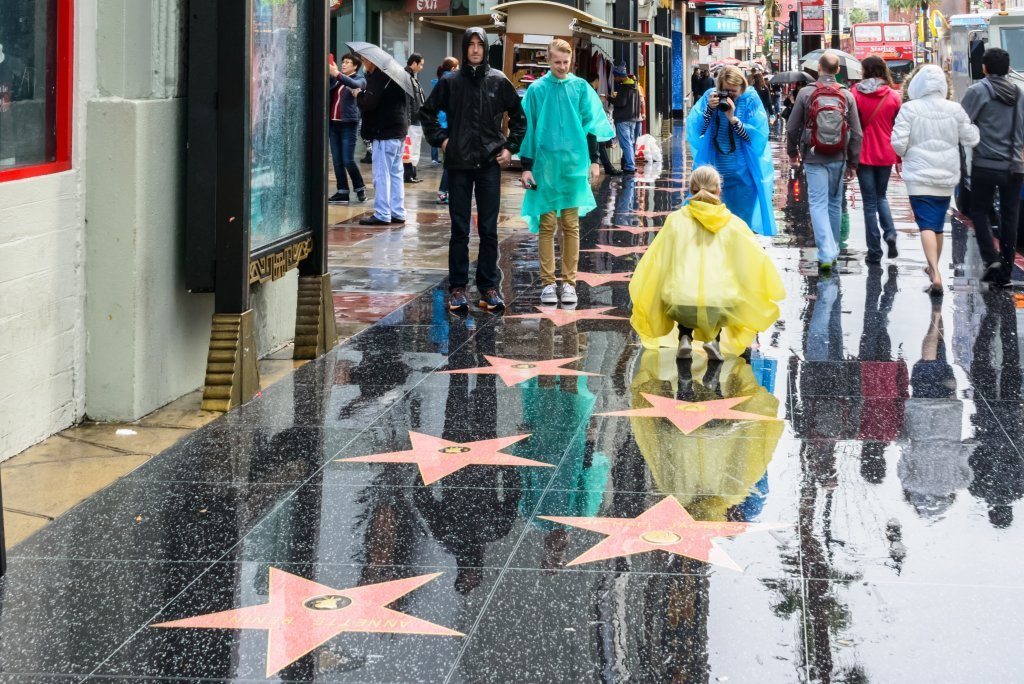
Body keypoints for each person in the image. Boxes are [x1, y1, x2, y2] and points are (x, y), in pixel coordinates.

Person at [420, 27, 527, 314]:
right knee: (459, 230)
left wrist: (509, 148)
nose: (476, 49)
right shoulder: (451, 82)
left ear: (486, 48)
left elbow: (519, 117)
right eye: (471, 44)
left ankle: (488, 287)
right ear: (465, 47)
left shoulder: (498, 81)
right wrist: (442, 140)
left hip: (489, 164)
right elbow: (426, 112)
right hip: (458, 165)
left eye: (481, 44)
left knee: (489, 230)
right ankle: (457, 288)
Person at [629, 165, 785, 360]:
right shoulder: (734, 224)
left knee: (680, 285)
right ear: (719, 190)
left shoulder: (675, 220)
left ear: (691, 189)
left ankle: (684, 336)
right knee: (721, 290)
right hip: (721, 303)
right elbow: (754, 263)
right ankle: (713, 340)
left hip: (678, 302)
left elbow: (657, 262)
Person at [519, 39, 615, 306]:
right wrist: (526, 167)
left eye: (565, 62)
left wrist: (595, 159)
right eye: (557, 62)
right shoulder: (537, 90)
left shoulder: (580, 88)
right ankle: (548, 282)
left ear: (571, 60)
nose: (562, 67)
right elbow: (528, 128)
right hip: (545, 165)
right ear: (548, 61)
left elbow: (591, 124)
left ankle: (569, 282)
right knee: (547, 225)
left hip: (574, 163)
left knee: (571, 224)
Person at [891, 64, 978, 295]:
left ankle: (935, 272)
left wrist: (908, 150)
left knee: (925, 224)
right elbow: (970, 136)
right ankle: (933, 268)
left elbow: (898, 145)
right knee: (937, 224)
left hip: (918, 176)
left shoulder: (909, 109)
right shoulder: (955, 109)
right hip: (946, 174)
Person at [787, 51, 863, 271]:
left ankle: (826, 253)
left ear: (818, 68)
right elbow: (857, 133)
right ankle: (834, 249)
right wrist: (853, 163)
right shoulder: (847, 95)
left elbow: (792, 127)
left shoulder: (805, 93)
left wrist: (792, 152)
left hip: (813, 155)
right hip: (839, 156)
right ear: (838, 70)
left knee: (817, 204)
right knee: (834, 203)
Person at [686, 66, 777, 235]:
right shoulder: (710, 96)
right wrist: (709, 110)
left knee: (741, 227)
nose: (729, 95)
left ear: (742, 87)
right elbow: (698, 131)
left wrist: (733, 119)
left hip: (743, 173)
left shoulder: (750, 98)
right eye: (725, 91)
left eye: (733, 91)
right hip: (714, 171)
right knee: (714, 227)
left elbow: (756, 137)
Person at [961, 47, 1024, 287]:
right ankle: (1006, 272)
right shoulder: (1019, 93)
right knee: (1010, 218)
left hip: (984, 164)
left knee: (979, 211)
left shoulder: (977, 91)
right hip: (1015, 166)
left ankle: (991, 258)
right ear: (1008, 69)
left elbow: (962, 122)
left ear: (984, 68)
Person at [852, 55, 902, 264]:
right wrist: (899, 158)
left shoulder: (855, 94)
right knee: (881, 197)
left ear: (864, 72)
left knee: (869, 203)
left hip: (863, 153)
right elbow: (899, 130)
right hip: (886, 152)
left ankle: (874, 251)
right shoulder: (893, 97)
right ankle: (890, 233)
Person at [354, 54, 410, 226]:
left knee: (381, 174)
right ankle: (398, 211)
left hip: (384, 132)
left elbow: (368, 104)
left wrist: (358, 95)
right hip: (398, 131)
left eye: (364, 60)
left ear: (372, 61)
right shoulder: (395, 78)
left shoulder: (379, 77)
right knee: (395, 174)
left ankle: (382, 213)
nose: (363, 63)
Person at [327, 53, 367, 205]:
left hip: (348, 124)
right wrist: (332, 72)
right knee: (337, 161)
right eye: (343, 62)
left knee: (348, 159)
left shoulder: (359, 79)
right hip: (333, 124)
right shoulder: (336, 80)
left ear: (355, 66)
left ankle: (360, 188)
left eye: (347, 62)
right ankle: (342, 191)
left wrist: (337, 74)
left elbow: (355, 85)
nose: (344, 64)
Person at [431, 57, 459, 204]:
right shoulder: (450, 80)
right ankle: (443, 193)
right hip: (448, 126)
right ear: (453, 68)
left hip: (442, 126)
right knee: (450, 162)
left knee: (449, 162)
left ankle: (446, 192)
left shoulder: (440, 80)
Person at [611, 64, 642, 174]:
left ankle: (629, 166)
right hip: (634, 119)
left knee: (626, 143)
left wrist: (609, 98)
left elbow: (621, 102)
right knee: (630, 142)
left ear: (619, 76)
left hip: (623, 118)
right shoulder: (635, 86)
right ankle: (630, 164)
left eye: (615, 76)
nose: (614, 79)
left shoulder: (624, 87)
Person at [403, 53, 426, 184]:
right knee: (409, 147)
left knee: (413, 147)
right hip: (412, 120)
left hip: (416, 119)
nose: (421, 67)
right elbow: (408, 101)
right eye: (421, 64)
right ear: (414, 63)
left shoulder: (411, 77)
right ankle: (409, 175)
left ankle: (412, 174)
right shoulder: (407, 77)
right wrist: (408, 120)